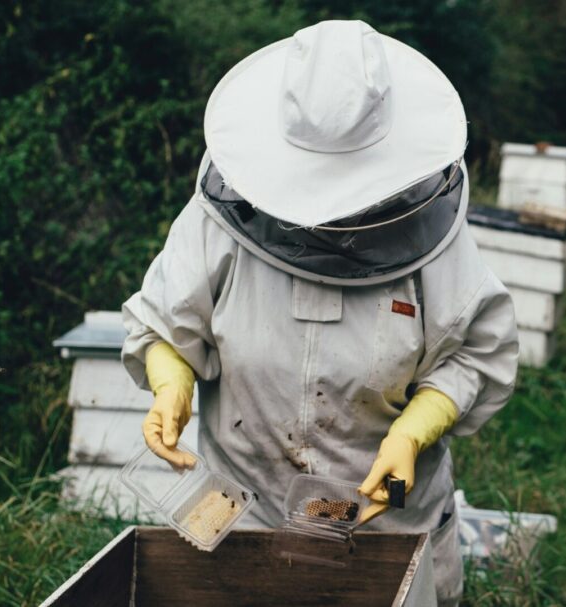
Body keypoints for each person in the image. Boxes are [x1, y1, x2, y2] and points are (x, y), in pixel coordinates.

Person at [120, 19, 518, 605]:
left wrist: (414, 430)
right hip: (243, 523)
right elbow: (167, 323)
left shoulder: (433, 239)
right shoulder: (219, 224)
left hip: (388, 532)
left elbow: (473, 356)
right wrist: (170, 384)